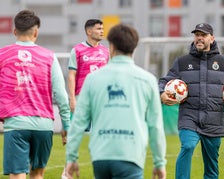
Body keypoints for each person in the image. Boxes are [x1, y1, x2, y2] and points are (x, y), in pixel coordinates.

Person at [64, 23, 167, 179]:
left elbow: (78, 122)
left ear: (110, 47)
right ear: (134, 48)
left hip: (101, 157)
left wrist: (71, 158)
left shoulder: (92, 79)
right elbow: (156, 126)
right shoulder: (148, 80)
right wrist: (159, 163)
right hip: (131, 156)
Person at [159, 23, 224, 179]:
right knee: (188, 146)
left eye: (203, 35)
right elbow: (164, 81)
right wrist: (162, 93)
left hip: (214, 120)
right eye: (196, 35)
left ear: (212, 38)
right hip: (189, 118)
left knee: (211, 165)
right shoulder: (182, 62)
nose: (199, 38)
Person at [0, 10, 70, 179]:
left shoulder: (2, 55)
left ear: (15, 31)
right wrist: (67, 125)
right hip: (44, 127)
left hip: (16, 125)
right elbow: (61, 94)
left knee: (17, 175)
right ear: (36, 32)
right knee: (37, 175)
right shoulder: (49, 56)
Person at [67, 18, 109, 121]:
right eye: (99, 29)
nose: (102, 31)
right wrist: (72, 99)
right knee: (77, 134)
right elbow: (71, 75)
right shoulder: (77, 50)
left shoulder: (106, 51)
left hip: (101, 98)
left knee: (100, 132)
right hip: (81, 98)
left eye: (102, 29)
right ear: (89, 31)